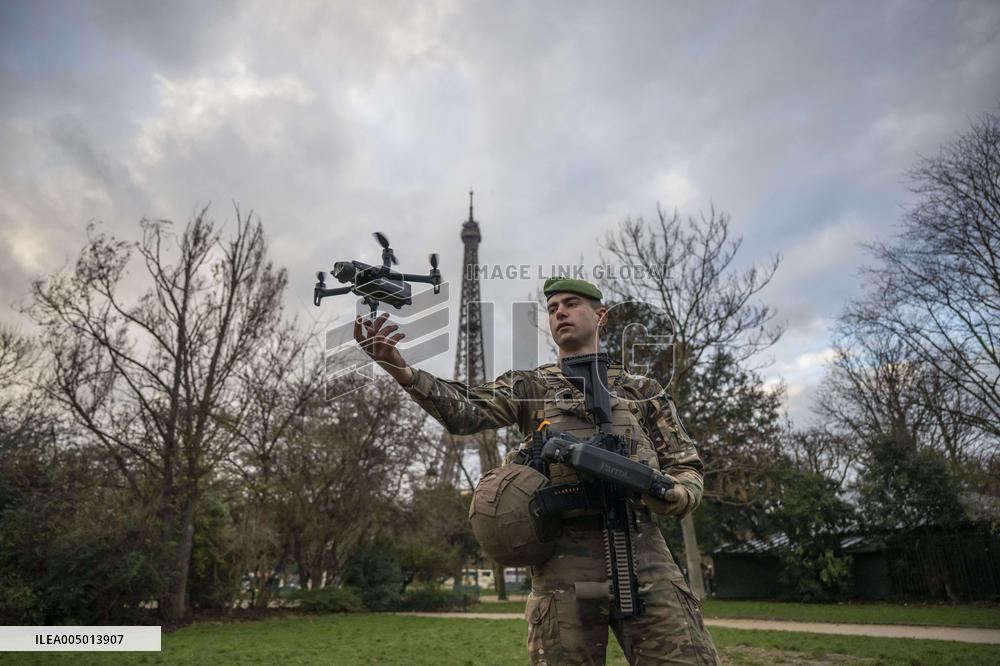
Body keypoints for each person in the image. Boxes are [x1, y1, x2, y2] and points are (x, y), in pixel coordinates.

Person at [353, 277, 720, 665]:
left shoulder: (642, 389)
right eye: (552, 307)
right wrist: (403, 371)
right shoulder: (531, 386)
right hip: (563, 559)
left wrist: (679, 493)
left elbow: (685, 463)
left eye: (572, 303)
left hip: (643, 548)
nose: (560, 311)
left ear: (601, 315)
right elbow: (465, 411)